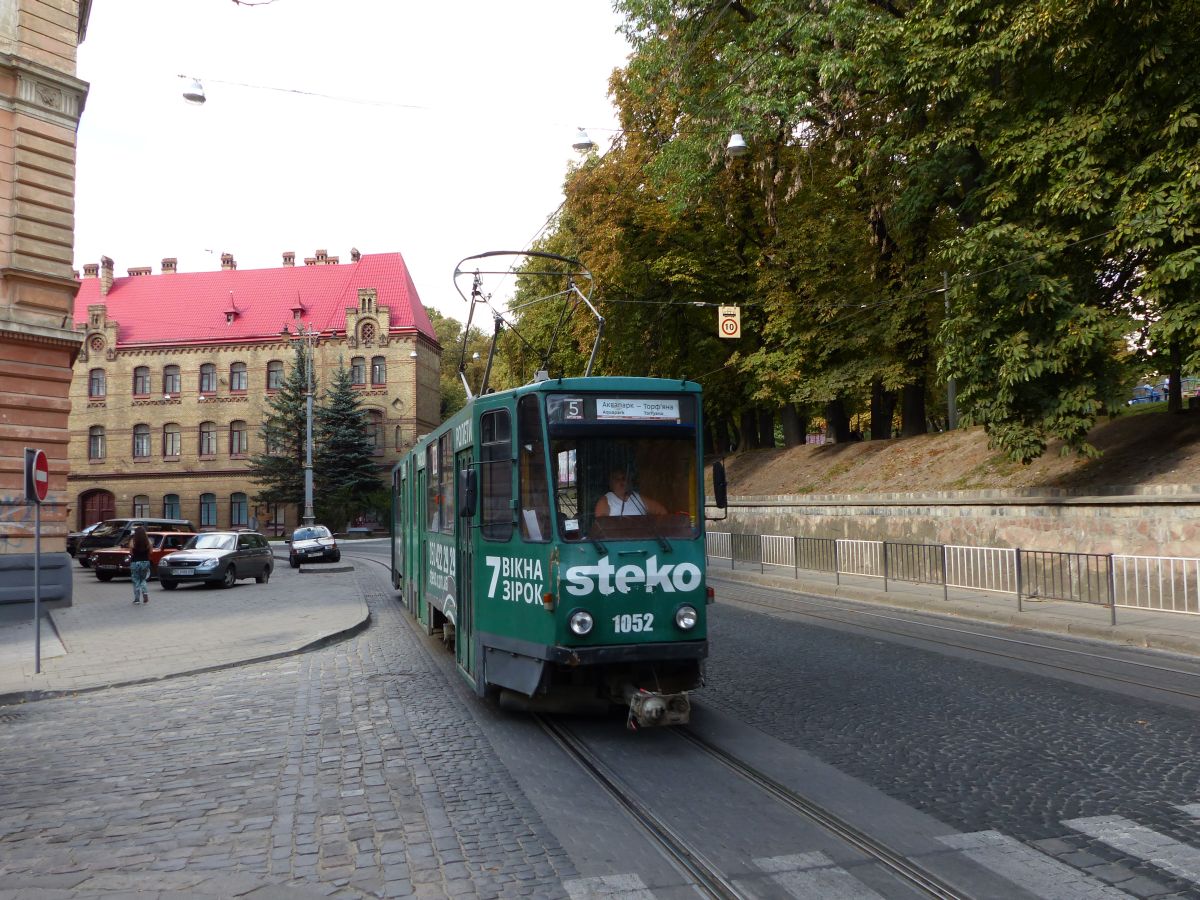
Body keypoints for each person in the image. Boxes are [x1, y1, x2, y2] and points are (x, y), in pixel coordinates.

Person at [594, 468, 666, 518]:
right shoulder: (605, 501)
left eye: (623, 478)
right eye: (617, 479)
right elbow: (602, 526)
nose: (621, 482)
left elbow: (662, 512)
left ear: (629, 482)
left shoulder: (638, 498)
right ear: (611, 483)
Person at [129, 526, 152, 605]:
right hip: (145, 562)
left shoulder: (133, 541)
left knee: (136, 580)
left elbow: (131, 552)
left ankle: (137, 599)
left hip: (135, 562)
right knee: (143, 579)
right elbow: (151, 552)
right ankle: (145, 593)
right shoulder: (148, 541)